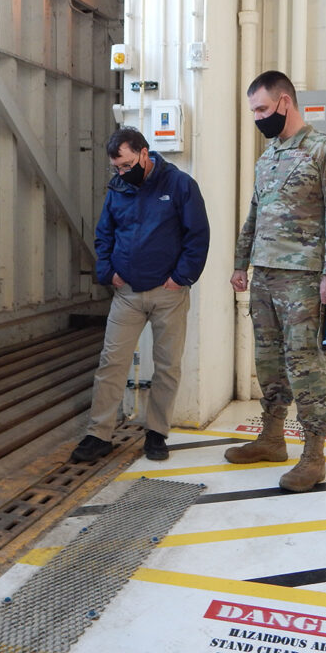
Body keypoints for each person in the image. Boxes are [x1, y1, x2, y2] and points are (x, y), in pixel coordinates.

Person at [227, 70, 326, 492]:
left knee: (304, 364)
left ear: (285, 102)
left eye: (262, 109)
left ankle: (314, 455)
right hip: (264, 276)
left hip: (304, 278)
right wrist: (239, 263)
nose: (258, 118)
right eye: (253, 111)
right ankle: (271, 438)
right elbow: (254, 215)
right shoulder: (267, 157)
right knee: (268, 361)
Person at [70, 127, 210, 463]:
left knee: (167, 367)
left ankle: (156, 433)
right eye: (116, 167)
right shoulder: (118, 188)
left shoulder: (180, 185)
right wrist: (108, 272)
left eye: (127, 164)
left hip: (168, 293)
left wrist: (181, 278)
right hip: (127, 293)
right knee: (112, 363)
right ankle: (98, 434)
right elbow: (104, 234)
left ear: (145, 154)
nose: (122, 172)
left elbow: (198, 236)